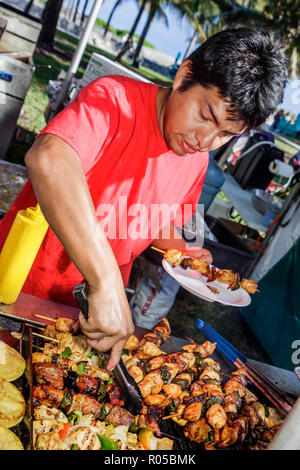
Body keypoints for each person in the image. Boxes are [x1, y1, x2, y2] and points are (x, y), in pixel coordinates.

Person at [0, 28, 287, 370]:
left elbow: (169, 220)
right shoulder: (113, 100)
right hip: (21, 292)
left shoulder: (197, 161)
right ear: (184, 76)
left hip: (95, 321)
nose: (206, 140)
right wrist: (105, 281)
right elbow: (49, 159)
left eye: (226, 134)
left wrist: (192, 255)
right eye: (206, 115)